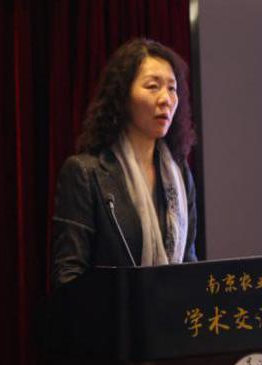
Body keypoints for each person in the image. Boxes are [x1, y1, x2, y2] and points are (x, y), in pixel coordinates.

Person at [51, 38, 198, 288]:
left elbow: (189, 263)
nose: (166, 98)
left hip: (169, 313)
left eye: (172, 88)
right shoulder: (86, 173)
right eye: (153, 87)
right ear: (122, 96)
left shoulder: (180, 174)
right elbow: (68, 275)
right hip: (110, 313)